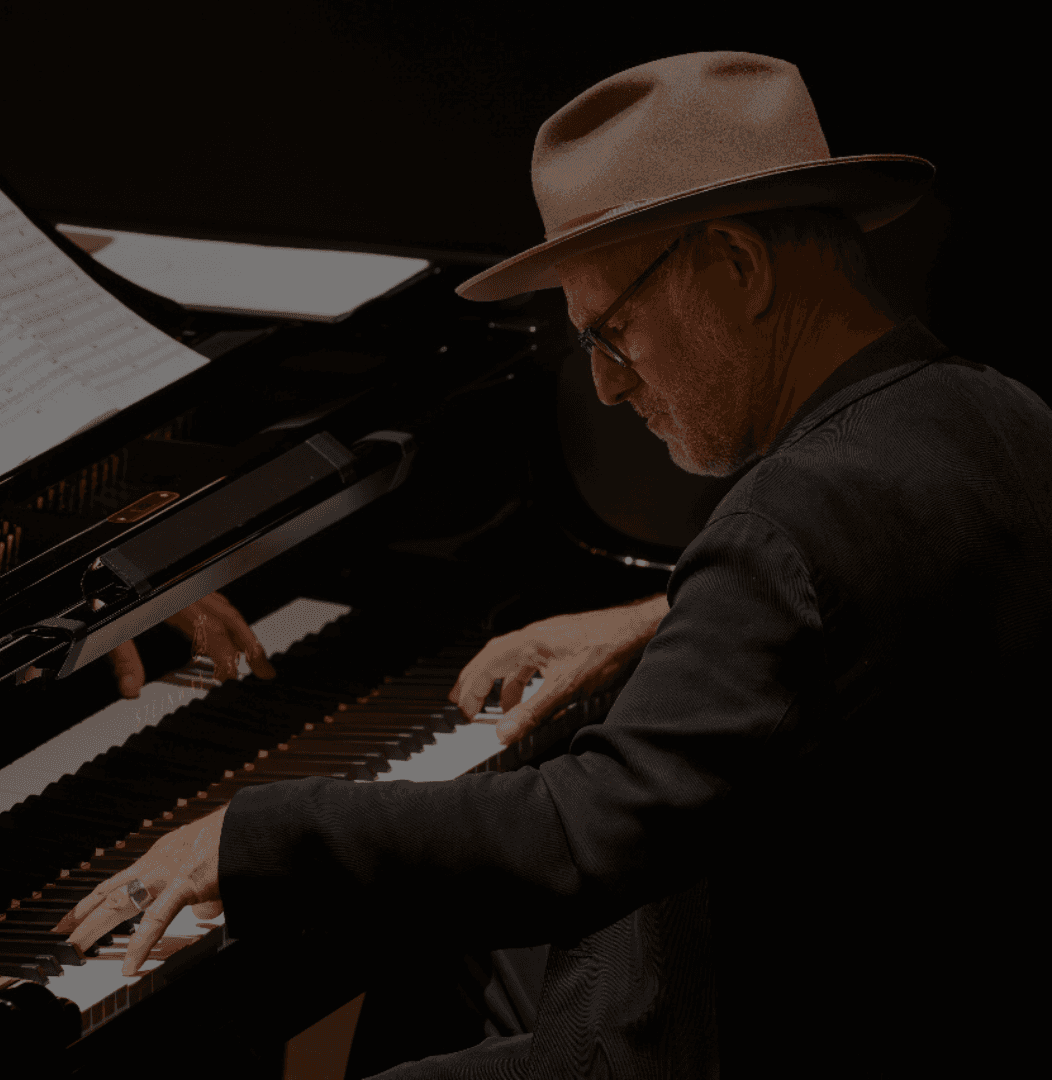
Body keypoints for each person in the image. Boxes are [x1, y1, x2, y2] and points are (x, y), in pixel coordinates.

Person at [53, 51, 1049, 1077]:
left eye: (612, 333)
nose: (610, 389)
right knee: (433, 941)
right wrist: (661, 616)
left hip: (741, 1029)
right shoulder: (993, 412)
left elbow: (585, 834)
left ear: (740, 268)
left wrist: (256, 834)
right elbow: (869, 610)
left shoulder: (791, 518)